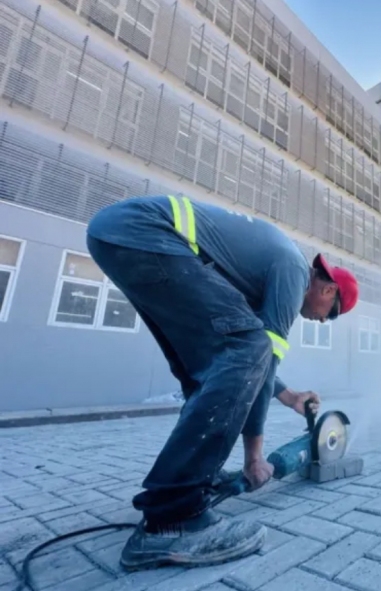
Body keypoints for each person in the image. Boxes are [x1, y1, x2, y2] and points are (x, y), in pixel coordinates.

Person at [85, 193, 359, 571]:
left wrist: (287, 395)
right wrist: (254, 459)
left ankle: (190, 487)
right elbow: (258, 352)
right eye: (330, 316)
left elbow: (246, 361)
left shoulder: (264, 273)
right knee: (248, 347)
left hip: (117, 235)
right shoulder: (294, 272)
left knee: (210, 371)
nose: (320, 321)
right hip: (149, 236)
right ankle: (173, 517)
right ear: (328, 290)